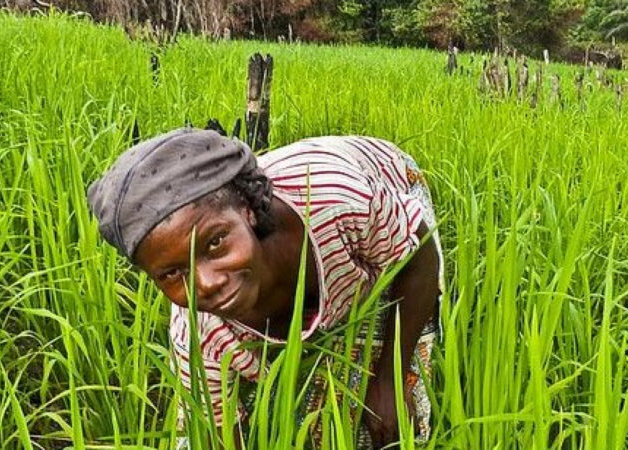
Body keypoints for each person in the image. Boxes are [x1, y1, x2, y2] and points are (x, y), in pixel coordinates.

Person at [86, 127, 444, 448]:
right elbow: (218, 435)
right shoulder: (198, 333)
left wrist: (388, 376)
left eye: (215, 243)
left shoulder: (341, 201)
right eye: (171, 273)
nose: (206, 284)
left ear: (248, 211)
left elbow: (419, 257)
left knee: (385, 418)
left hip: (385, 188)